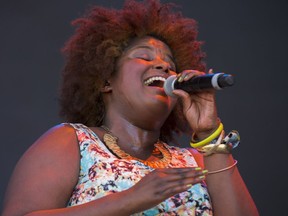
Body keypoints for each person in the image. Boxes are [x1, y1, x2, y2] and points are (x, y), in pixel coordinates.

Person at [2, 0, 259, 215]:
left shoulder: (198, 161)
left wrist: (208, 132)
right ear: (105, 81)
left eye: (170, 63)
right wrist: (131, 198)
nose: (163, 66)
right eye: (144, 56)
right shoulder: (71, 142)